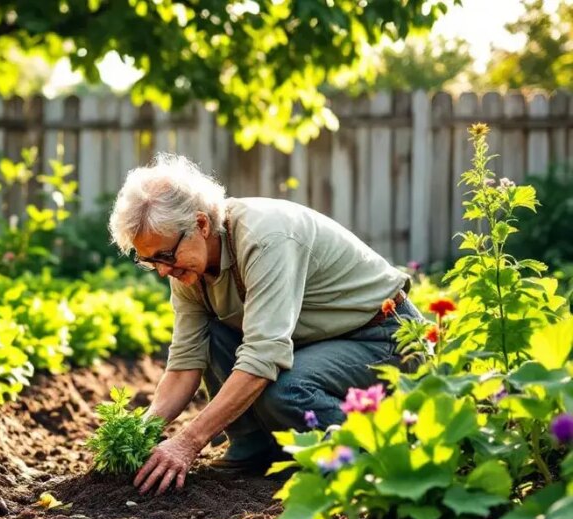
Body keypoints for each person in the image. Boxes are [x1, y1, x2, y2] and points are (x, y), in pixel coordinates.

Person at [107, 153, 422, 496]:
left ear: (201, 225)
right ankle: (254, 449)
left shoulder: (265, 238)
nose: (162, 270)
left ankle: (376, 456)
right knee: (213, 335)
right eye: (150, 261)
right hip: (318, 343)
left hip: (383, 337)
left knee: (284, 390)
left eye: (165, 256)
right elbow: (185, 364)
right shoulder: (187, 268)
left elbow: (263, 358)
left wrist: (188, 441)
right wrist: (141, 433)